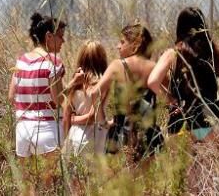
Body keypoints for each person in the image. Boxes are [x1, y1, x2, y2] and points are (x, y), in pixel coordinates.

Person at [9, 12, 81, 167]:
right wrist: (75, 85)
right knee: (49, 185)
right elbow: (58, 99)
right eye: (60, 36)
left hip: (22, 130)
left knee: (27, 187)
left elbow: (11, 96)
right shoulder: (53, 63)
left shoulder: (20, 62)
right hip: (47, 131)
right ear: (49, 36)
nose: (63, 41)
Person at [148, 7, 219, 141]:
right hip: (209, 119)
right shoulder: (213, 51)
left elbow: (152, 82)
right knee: (209, 161)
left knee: (183, 161)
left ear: (180, 28)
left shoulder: (173, 53)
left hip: (180, 122)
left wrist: (170, 99)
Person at [88, 22, 161, 160]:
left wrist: (103, 121)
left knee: (121, 179)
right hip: (148, 134)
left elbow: (94, 93)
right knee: (144, 180)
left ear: (135, 44)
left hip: (121, 134)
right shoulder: (154, 67)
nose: (118, 46)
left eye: (122, 42)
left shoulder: (117, 65)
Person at [62, 40, 109, 157]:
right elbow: (92, 117)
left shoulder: (76, 81)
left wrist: (71, 119)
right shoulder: (102, 83)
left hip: (73, 136)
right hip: (93, 137)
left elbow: (66, 115)